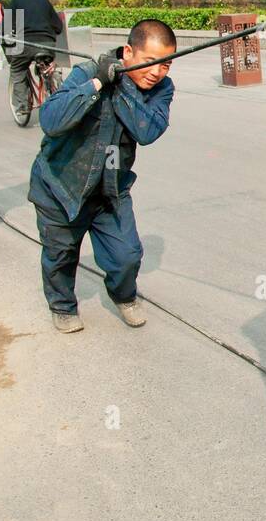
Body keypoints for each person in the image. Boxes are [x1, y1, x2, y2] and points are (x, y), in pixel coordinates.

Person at [27, 19, 176, 334]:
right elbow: (51, 120)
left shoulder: (162, 89)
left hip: (110, 189)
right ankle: (63, 306)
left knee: (127, 255)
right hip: (61, 185)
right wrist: (97, 82)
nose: (157, 72)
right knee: (61, 254)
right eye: (150, 62)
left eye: (165, 65)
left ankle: (124, 295)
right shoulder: (86, 73)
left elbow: (146, 130)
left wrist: (119, 83)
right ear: (127, 52)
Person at [4, 0, 64, 117]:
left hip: (25, 44)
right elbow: (58, 26)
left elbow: (6, 29)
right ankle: (52, 84)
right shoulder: (44, 2)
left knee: (17, 69)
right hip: (48, 44)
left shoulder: (15, 2)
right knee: (47, 63)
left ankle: (22, 105)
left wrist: (9, 54)